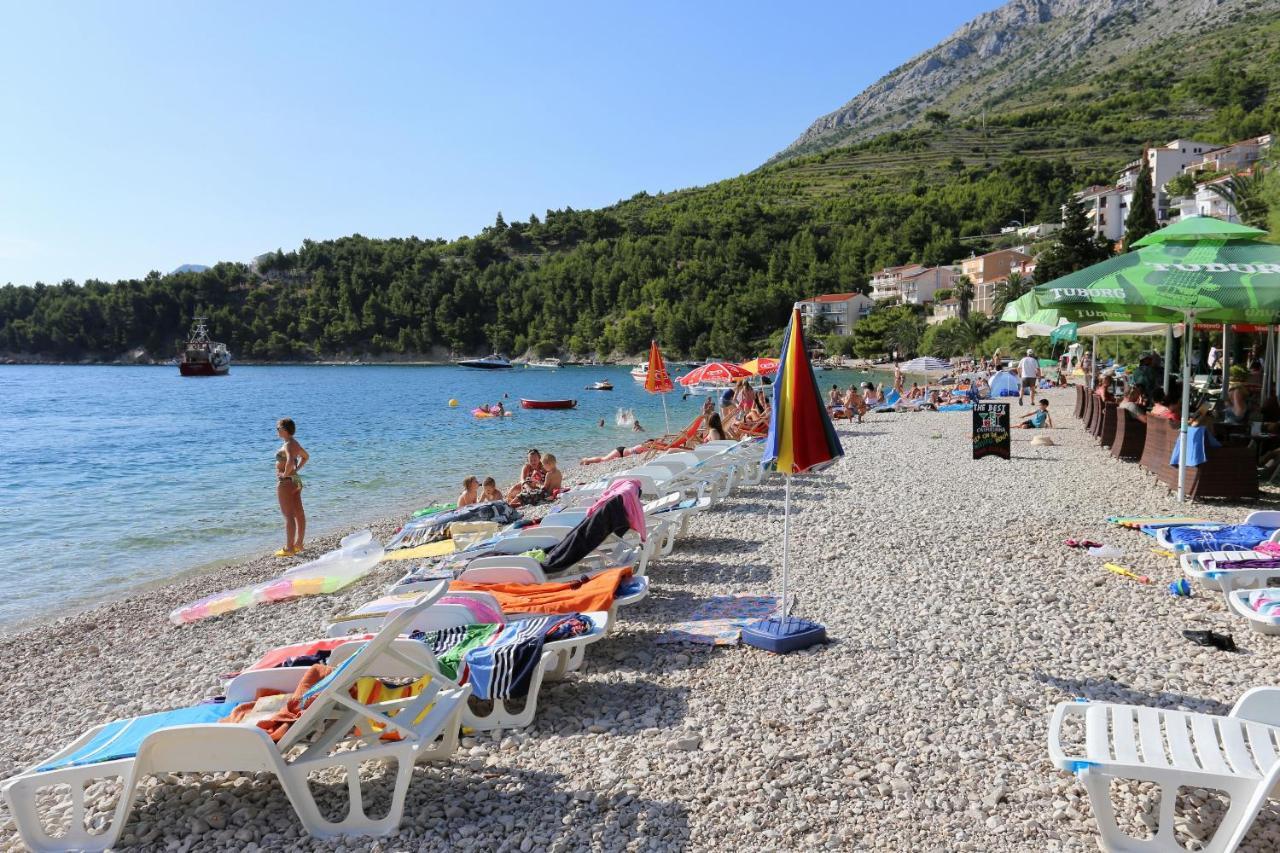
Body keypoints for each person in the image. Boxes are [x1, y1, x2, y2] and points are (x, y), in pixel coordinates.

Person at [274, 418, 309, 557]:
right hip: (296, 480)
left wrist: (284, 475)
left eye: (278, 428)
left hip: (287, 481)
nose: (277, 431)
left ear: (285, 430)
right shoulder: (295, 443)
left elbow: (289, 461)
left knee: (288, 515)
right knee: (299, 513)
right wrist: (296, 470)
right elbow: (306, 457)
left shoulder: (288, 445)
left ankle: (289, 548)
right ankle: (299, 544)